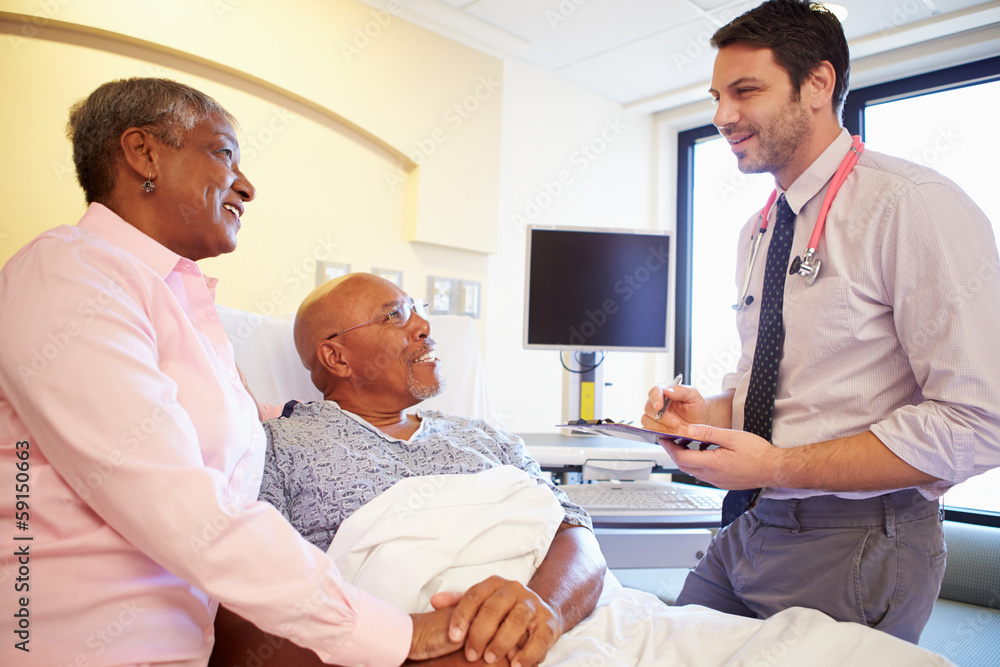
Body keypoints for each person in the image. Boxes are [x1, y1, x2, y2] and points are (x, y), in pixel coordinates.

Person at [0, 78, 466, 667]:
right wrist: (399, 636)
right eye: (224, 155)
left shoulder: (178, 304)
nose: (245, 185)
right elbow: (176, 500)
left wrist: (348, 415)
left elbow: (241, 420)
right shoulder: (68, 274)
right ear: (143, 153)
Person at [642, 0, 1000, 644]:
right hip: (751, 527)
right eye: (717, 95)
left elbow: (978, 422)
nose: (722, 116)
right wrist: (709, 413)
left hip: (858, 541)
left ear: (818, 84)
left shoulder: (913, 207)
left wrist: (775, 468)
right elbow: (792, 397)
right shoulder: (760, 230)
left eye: (746, 91)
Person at [210, 273, 607, 667]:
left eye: (417, 310)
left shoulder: (485, 435)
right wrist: (414, 648)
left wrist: (543, 614)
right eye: (394, 317)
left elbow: (576, 534)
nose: (423, 326)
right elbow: (242, 609)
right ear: (337, 357)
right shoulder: (279, 447)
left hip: (562, 631)